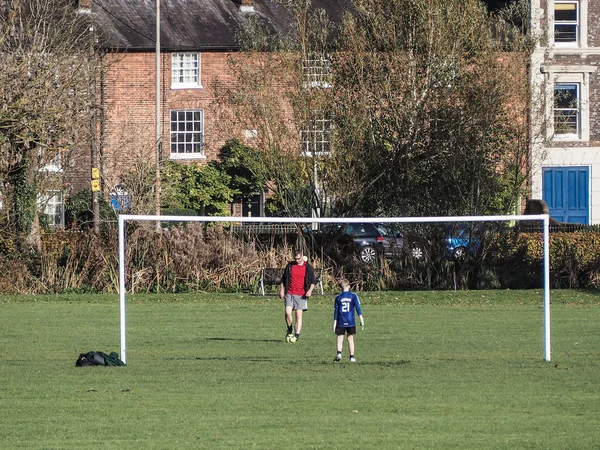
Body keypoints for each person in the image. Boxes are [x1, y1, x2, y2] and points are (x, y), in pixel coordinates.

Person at [279, 248, 316, 343]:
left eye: (299, 259)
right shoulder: (290, 266)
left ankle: (297, 335)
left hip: (301, 294)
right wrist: (282, 290)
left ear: (302, 256)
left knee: (298, 315)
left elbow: (312, 281)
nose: (297, 261)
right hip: (290, 293)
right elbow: (283, 279)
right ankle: (290, 329)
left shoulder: (307, 267)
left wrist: (310, 290)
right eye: (295, 259)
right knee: (287, 312)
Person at [333, 278, 364, 362]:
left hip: (341, 321)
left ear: (340, 288)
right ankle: (352, 357)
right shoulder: (353, 296)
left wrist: (334, 323)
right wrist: (361, 319)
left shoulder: (338, 297)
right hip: (351, 321)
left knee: (340, 338)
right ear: (349, 286)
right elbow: (358, 308)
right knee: (350, 339)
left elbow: (336, 311)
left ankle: (339, 353)